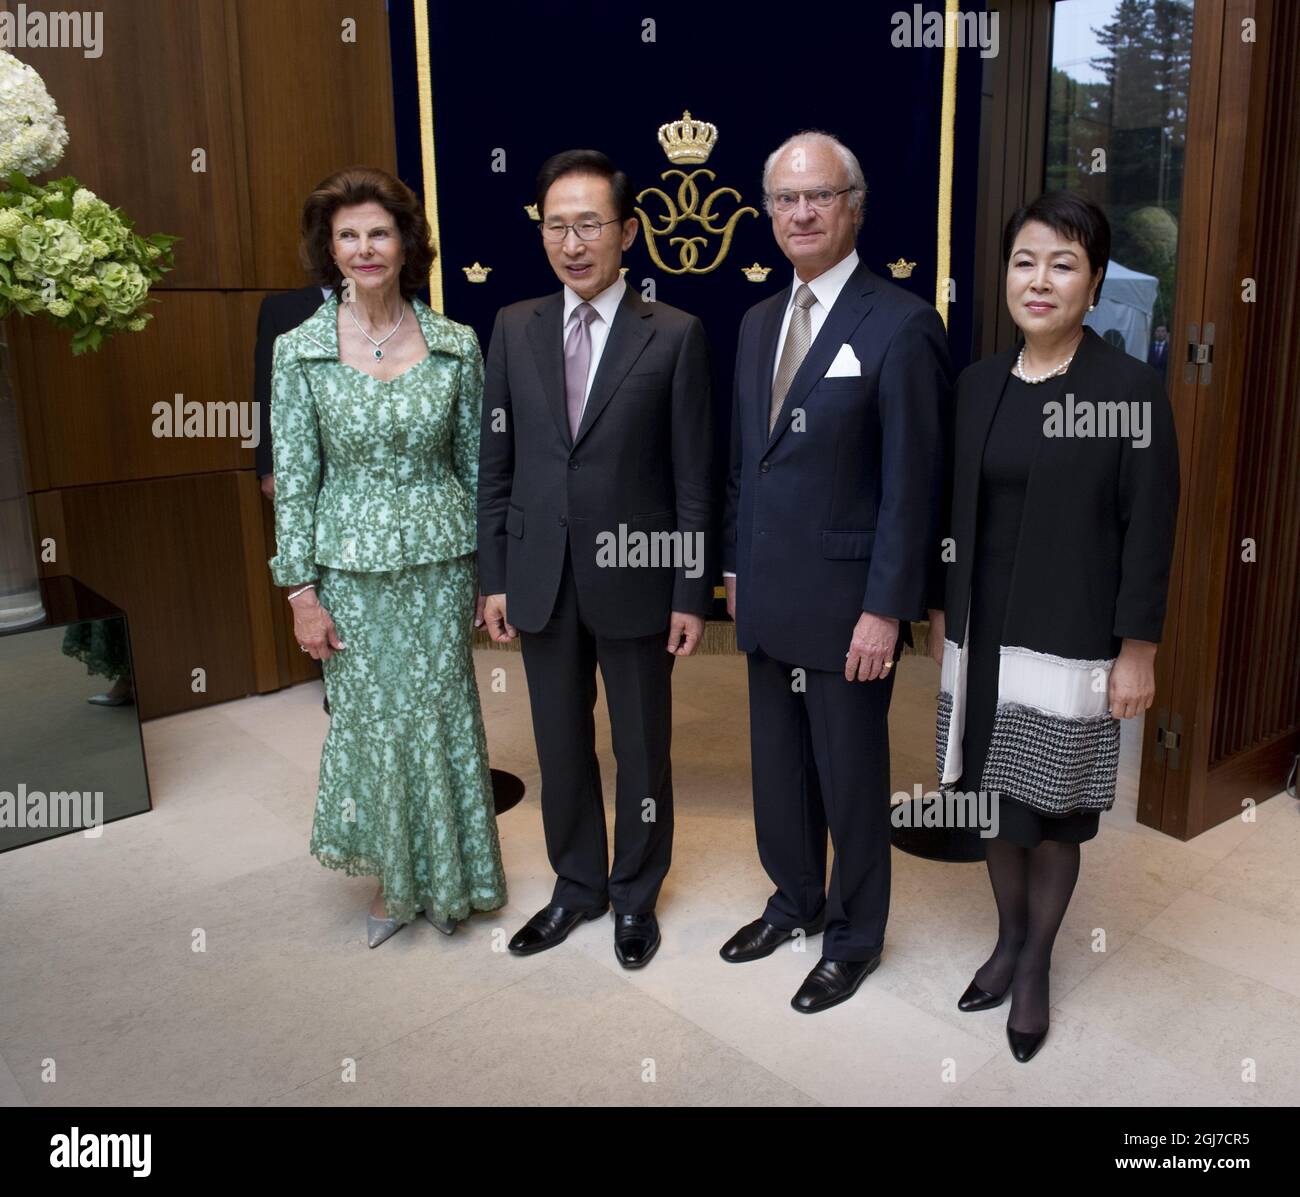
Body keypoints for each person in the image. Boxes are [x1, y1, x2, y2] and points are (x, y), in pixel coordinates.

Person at [932, 191, 1179, 1061]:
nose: (1040, 281)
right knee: (996, 802)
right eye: (1025, 261)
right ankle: (1005, 938)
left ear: (1096, 280)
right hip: (983, 633)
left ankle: (1034, 964)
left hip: (1071, 636)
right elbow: (951, 513)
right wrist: (942, 614)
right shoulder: (978, 385)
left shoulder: (1125, 392)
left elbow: (1149, 530)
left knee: (1055, 810)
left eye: (1063, 264)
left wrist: (1136, 650)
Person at [720, 131, 952, 1013]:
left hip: (853, 604)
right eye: (785, 198)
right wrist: (737, 570)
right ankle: (793, 900)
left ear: (854, 205)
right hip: (770, 596)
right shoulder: (751, 324)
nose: (801, 212)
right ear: (770, 211)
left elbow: (911, 485)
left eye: (820, 196)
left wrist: (887, 609)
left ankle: (854, 937)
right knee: (778, 768)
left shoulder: (900, 323)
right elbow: (750, 463)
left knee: (850, 776)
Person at [478, 149, 713, 969]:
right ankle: (576, 885)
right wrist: (495, 577)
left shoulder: (676, 335)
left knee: (642, 747)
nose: (572, 243)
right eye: (556, 226)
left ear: (628, 232)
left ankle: (635, 894)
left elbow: (694, 477)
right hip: (540, 575)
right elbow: (496, 465)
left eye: (589, 224)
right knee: (559, 743)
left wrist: (691, 590)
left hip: (640, 580)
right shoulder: (513, 325)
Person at [269, 166, 506, 949]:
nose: (365, 247)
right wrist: (301, 591)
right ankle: (396, 885)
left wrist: (489, 574)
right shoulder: (299, 351)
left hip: (441, 568)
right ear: (329, 250)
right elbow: (296, 481)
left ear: (407, 243)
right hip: (349, 574)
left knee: (441, 715)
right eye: (348, 235)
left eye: (379, 232)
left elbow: (479, 470)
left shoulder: (453, 345)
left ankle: (456, 880)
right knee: (373, 723)